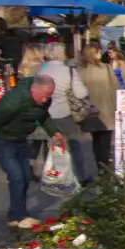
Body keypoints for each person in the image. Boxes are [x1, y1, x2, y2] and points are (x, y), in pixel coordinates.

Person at [0, 76, 66, 228]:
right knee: (16, 176)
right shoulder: (12, 102)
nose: (45, 100)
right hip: (3, 141)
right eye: (43, 96)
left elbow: (43, 117)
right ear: (33, 89)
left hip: (21, 141)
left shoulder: (43, 101)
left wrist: (53, 132)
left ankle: (14, 215)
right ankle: (20, 216)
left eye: (49, 96)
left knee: (25, 176)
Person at [38, 41, 96, 185]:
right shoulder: (68, 70)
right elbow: (80, 92)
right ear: (61, 54)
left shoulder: (42, 70)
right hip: (66, 112)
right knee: (74, 143)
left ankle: (53, 176)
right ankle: (80, 176)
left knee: (52, 144)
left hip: (47, 114)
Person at [76, 42, 118, 170]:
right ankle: (104, 168)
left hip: (90, 110)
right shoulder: (106, 68)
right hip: (107, 109)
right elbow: (115, 88)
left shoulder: (80, 71)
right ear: (96, 53)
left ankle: (98, 165)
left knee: (95, 140)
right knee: (105, 142)